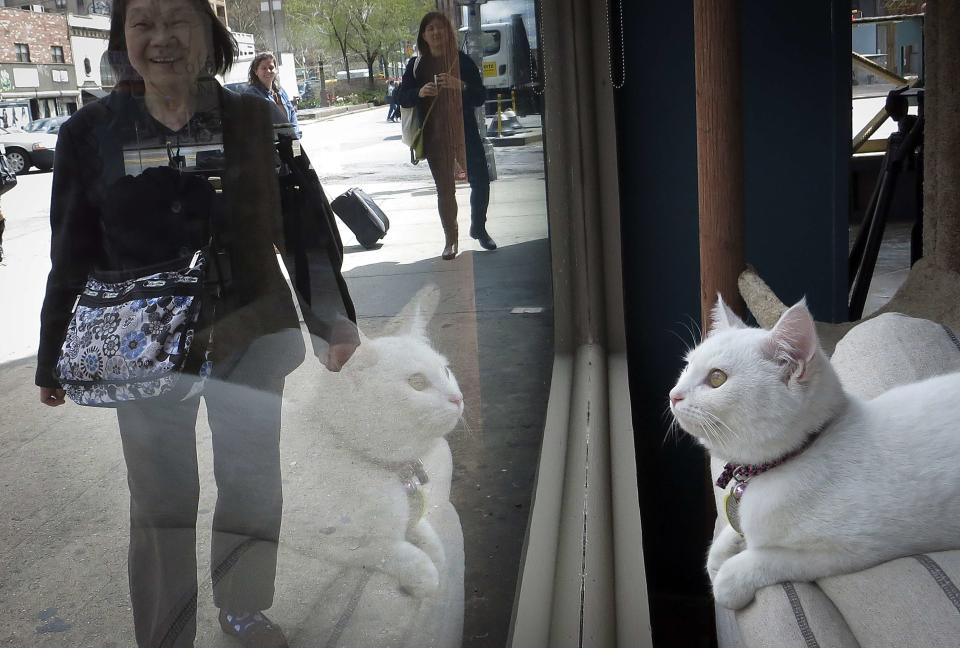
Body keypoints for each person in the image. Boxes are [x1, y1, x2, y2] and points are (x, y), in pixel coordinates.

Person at [35, 0, 358, 646]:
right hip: (143, 347)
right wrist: (53, 355)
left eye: (177, 19)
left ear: (207, 31)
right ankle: (165, 633)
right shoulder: (89, 134)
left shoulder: (252, 117)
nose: (161, 39)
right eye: (142, 22)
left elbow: (303, 220)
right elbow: (70, 248)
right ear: (123, 37)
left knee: (251, 484)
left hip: (249, 332)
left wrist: (331, 318)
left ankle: (243, 608)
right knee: (160, 504)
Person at [397, 12, 497, 260]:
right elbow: (400, 97)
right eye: (430, 29)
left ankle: (479, 228)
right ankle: (451, 240)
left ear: (447, 33)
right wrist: (419, 92)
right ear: (423, 35)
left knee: (480, 181)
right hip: (435, 136)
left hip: (465, 134)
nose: (435, 32)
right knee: (445, 189)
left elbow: (480, 96)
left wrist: (458, 85)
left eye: (439, 28)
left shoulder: (462, 62)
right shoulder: (416, 66)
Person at [245, 51, 301, 139]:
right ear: (256, 71)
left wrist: (295, 136)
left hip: (290, 142)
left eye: (271, 67)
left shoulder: (281, 92)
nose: (268, 71)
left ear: (276, 70)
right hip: (268, 147)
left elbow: (292, 113)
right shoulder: (251, 94)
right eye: (263, 68)